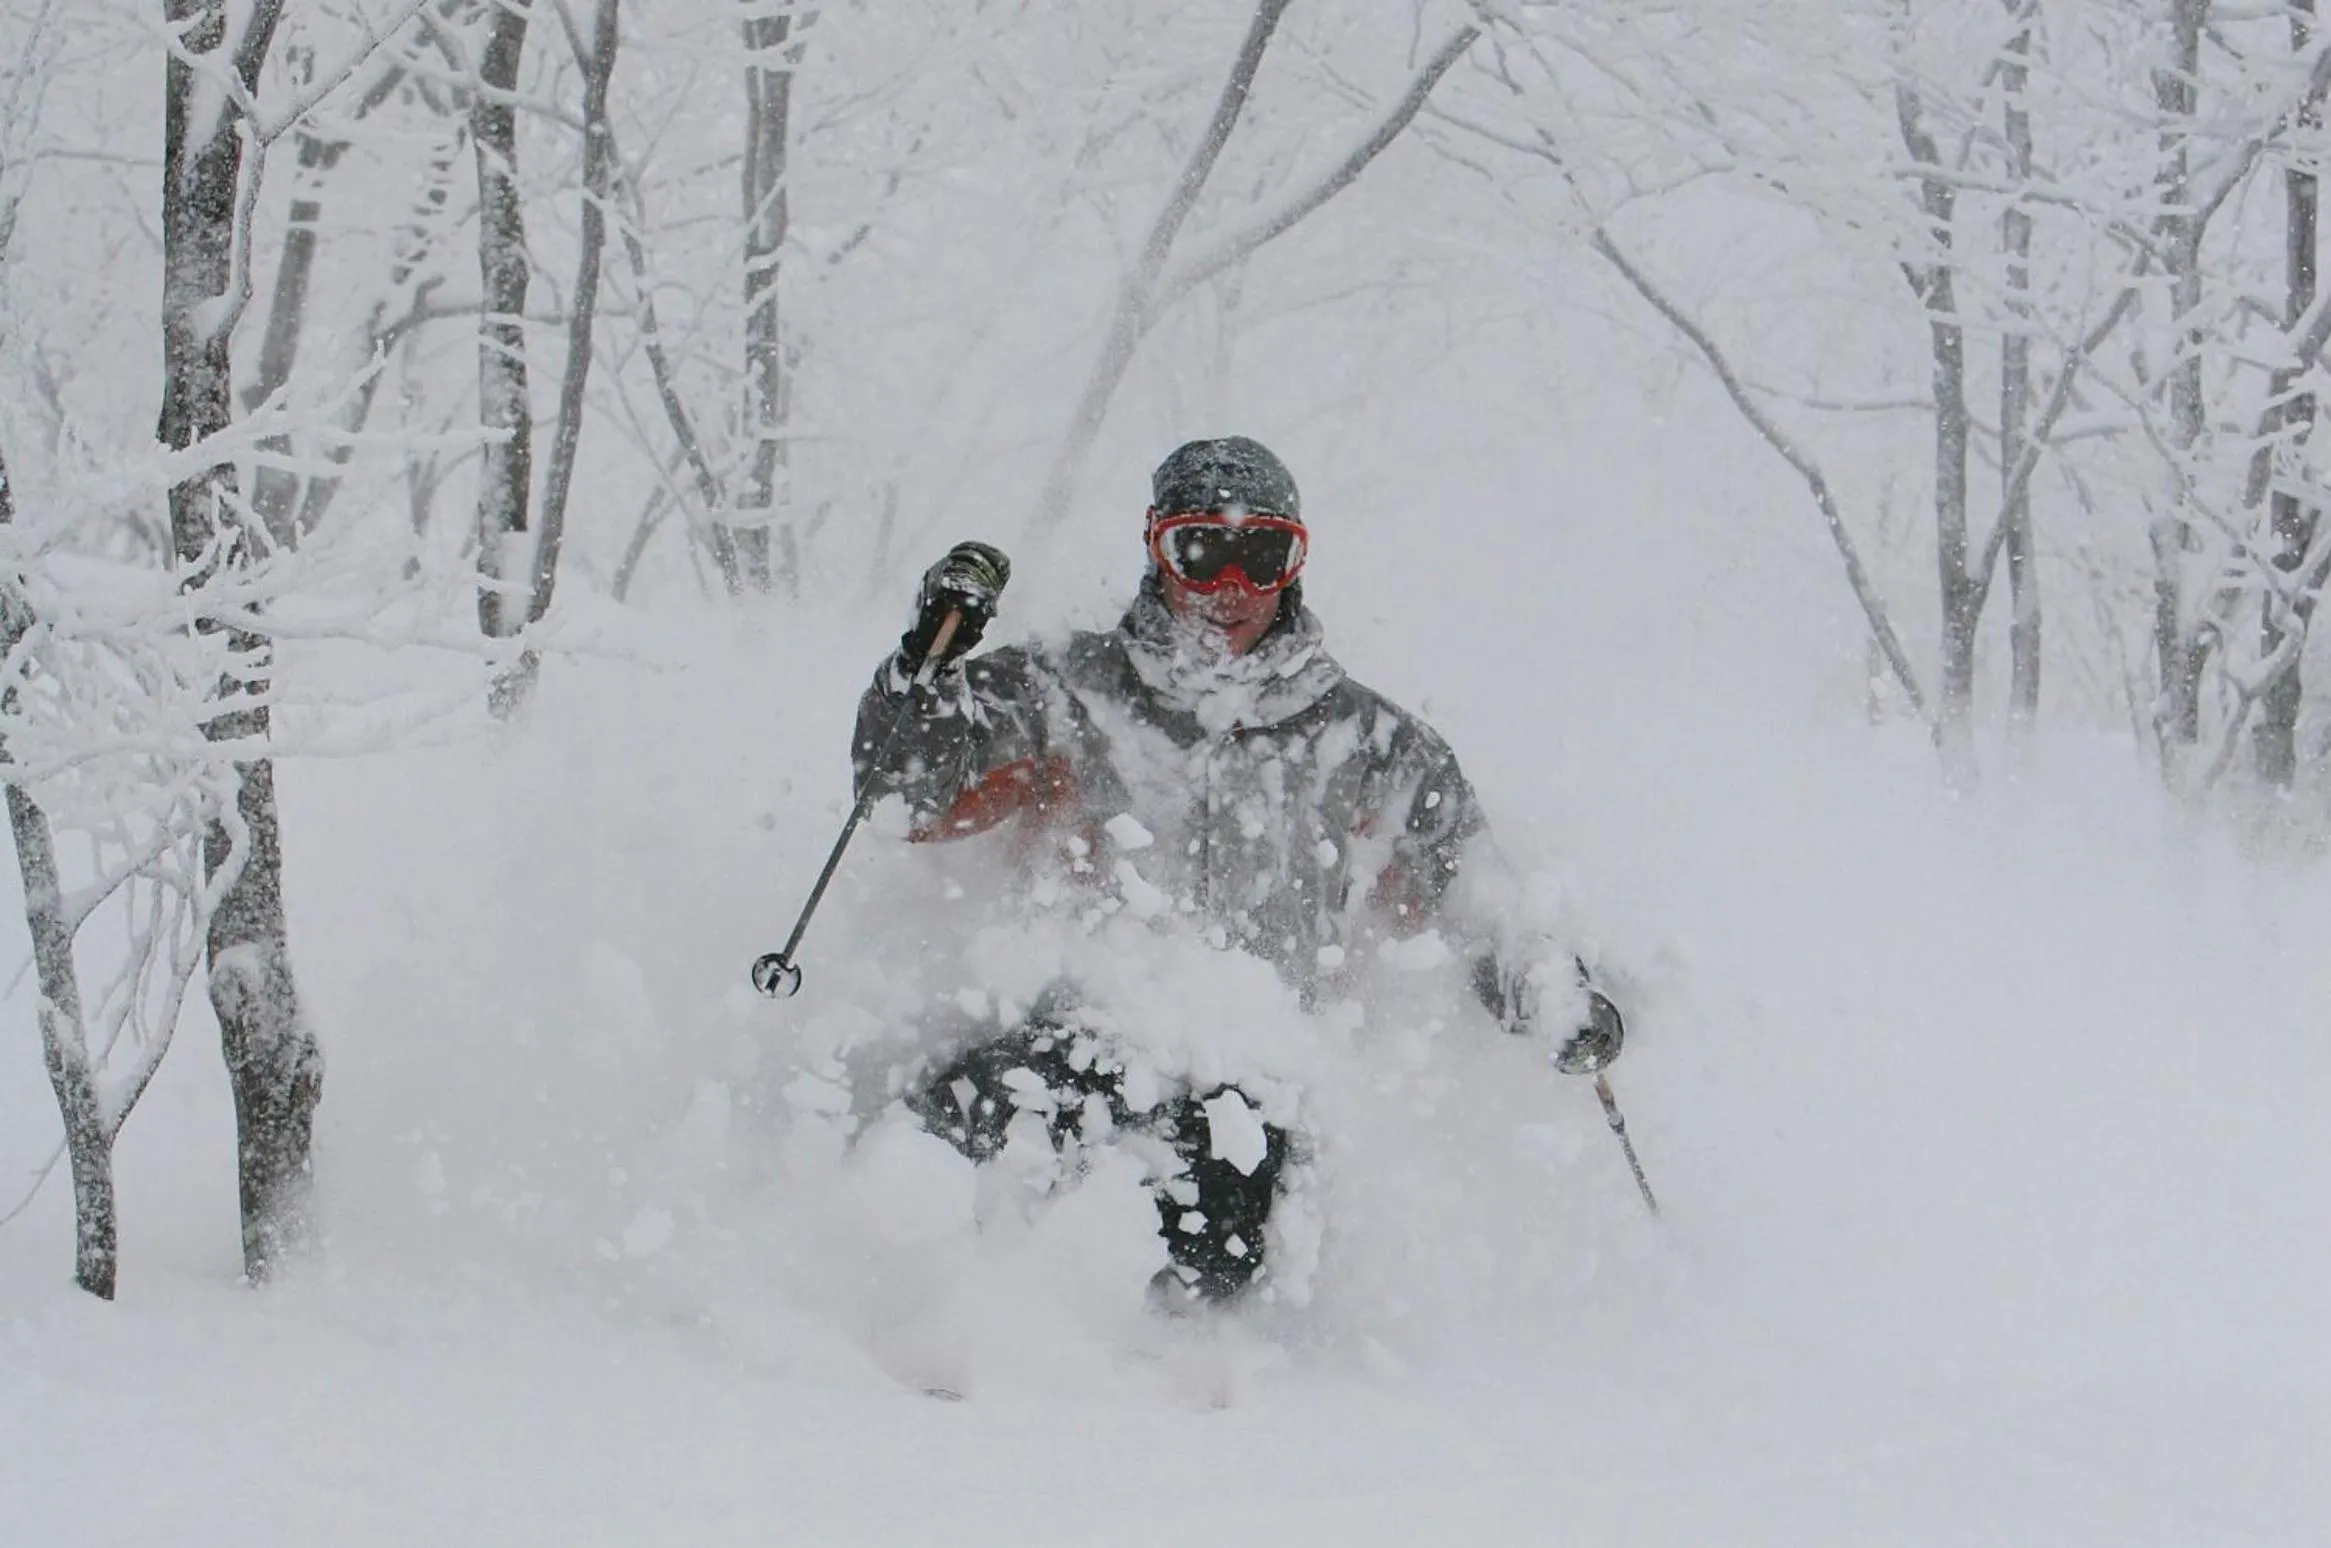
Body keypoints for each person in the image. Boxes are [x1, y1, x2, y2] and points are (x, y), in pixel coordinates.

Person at [851, 436, 1624, 1306]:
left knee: (1222, 1214)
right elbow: (902, 801)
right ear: (1156, 546)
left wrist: (1549, 994)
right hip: (1074, 1032)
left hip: (1256, 1069)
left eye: (1261, 555)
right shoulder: (1061, 691)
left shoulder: (1368, 742)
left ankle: (1195, 1380)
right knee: (926, 1155)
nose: (1229, 586)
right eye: (1201, 548)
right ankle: (911, 1330)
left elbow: (1471, 889)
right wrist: (921, 674)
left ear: (1294, 563)